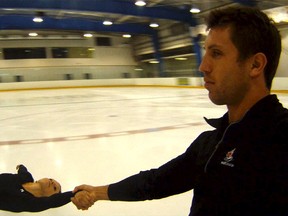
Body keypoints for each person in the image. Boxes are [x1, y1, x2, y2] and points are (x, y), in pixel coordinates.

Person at [71, 6, 288, 216]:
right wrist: (98, 192)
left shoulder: (281, 139)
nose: (203, 66)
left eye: (217, 53)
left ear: (255, 65)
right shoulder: (213, 142)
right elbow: (156, 182)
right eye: (206, 53)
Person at [0, 164, 74, 212]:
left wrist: (75, 193)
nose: (52, 182)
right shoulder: (27, 177)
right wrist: (20, 166)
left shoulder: (31, 202)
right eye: (51, 179)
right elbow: (23, 170)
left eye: (54, 188)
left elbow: (54, 201)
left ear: (50, 196)